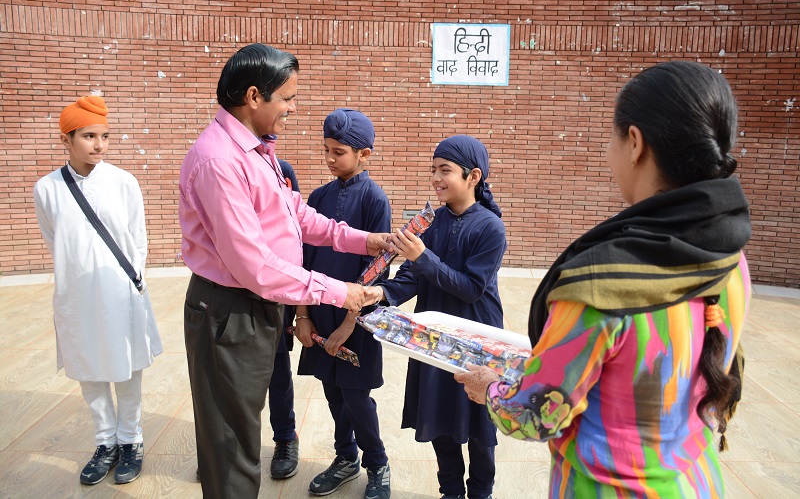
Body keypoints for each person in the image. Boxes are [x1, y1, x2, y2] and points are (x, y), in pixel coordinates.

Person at [455, 61, 752, 498]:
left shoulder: (599, 286)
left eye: (610, 139)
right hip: (698, 482)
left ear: (635, 143)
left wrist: (491, 389)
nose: (609, 155)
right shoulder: (731, 259)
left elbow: (535, 415)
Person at [179, 43, 389, 499]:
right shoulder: (220, 161)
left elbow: (296, 215)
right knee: (231, 444)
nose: (293, 108)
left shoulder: (257, 150)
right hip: (231, 310)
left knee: (239, 430)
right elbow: (254, 265)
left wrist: (363, 240)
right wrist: (338, 292)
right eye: (288, 98)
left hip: (256, 306)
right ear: (254, 96)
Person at [366, 135, 507, 499]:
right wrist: (380, 293)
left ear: (473, 177)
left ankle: (481, 492)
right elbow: (413, 277)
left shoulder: (490, 227)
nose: (435, 178)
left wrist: (422, 257)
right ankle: (451, 492)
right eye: (433, 170)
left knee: (479, 425)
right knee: (439, 416)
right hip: (433, 338)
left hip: (477, 339)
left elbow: (471, 288)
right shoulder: (430, 221)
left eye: (445, 170)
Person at [33, 96, 163, 486]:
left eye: (104, 136)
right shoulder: (47, 189)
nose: (99, 145)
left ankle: (131, 440)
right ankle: (105, 442)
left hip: (120, 294)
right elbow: (55, 240)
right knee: (88, 369)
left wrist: (132, 281)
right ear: (66, 139)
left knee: (126, 370)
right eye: (89, 136)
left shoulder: (123, 182)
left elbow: (138, 240)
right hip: (76, 297)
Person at [294, 108, 393, 499]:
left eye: (338, 152)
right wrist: (302, 315)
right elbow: (303, 261)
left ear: (364, 154)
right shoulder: (318, 197)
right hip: (320, 312)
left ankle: (377, 463)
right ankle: (345, 457)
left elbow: (377, 268)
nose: (330, 159)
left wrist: (350, 323)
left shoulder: (375, 199)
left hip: (358, 318)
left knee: (356, 395)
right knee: (332, 390)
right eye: (326, 150)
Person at [268, 157, 302, 480]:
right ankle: (229, 446)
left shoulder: (282, 171)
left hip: (275, 291)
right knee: (232, 376)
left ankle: (285, 437)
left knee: (277, 368)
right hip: (233, 290)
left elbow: (295, 230)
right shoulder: (220, 163)